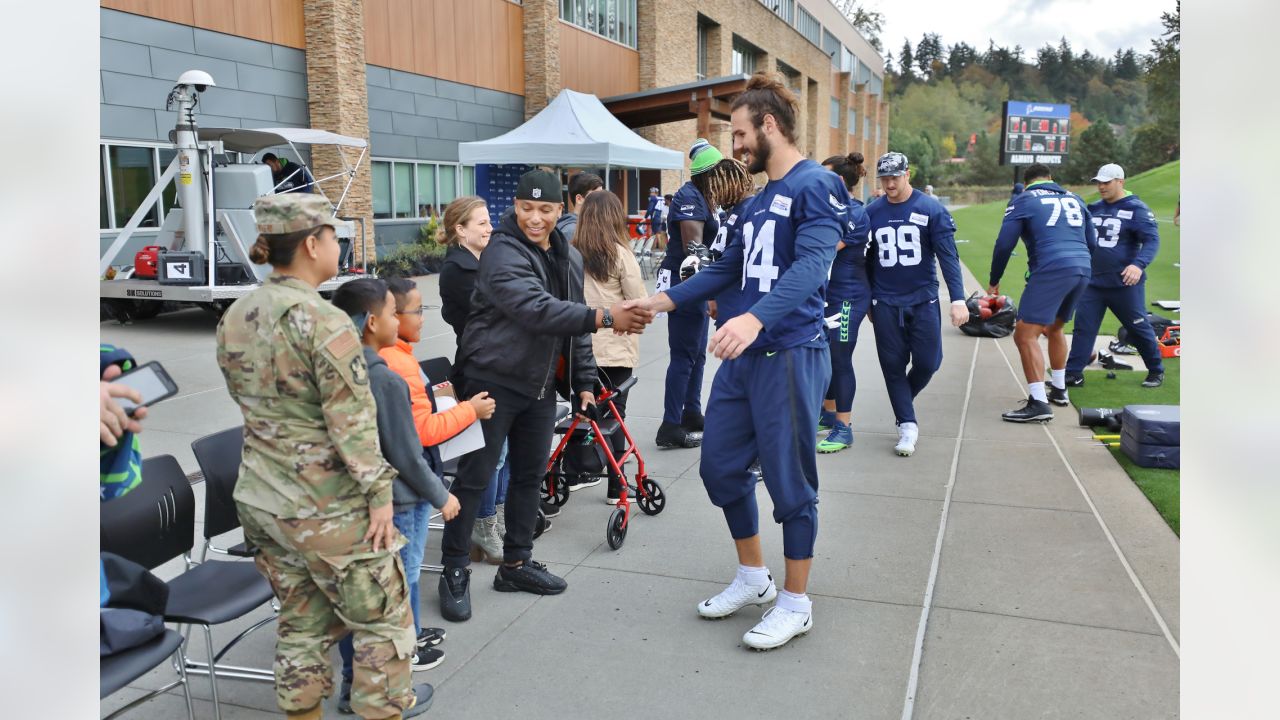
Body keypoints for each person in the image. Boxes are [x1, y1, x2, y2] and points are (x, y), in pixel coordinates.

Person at [629, 73, 845, 650]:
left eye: (743, 134)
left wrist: (755, 318)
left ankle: (795, 603)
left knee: (791, 483)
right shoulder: (755, 201)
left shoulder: (816, 185)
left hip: (790, 355)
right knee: (720, 469)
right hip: (743, 359)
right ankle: (754, 578)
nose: (737, 147)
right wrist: (661, 299)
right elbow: (729, 269)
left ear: (769, 126)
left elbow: (812, 266)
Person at [216, 194, 431, 719]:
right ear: (313, 244)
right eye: (334, 236)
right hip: (328, 508)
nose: (339, 245)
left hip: (265, 502)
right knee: (383, 626)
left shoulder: (237, 314)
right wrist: (381, 498)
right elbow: (352, 422)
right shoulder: (325, 321)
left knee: (301, 627)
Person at [438, 169, 653, 623]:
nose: (535, 218)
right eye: (526, 208)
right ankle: (454, 569)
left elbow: (570, 329)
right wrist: (607, 316)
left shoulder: (567, 257)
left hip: (536, 386)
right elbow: (534, 309)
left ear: (563, 209)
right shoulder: (501, 252)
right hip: (490, 381)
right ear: (515, 207)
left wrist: (585, 384)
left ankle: (516, 564)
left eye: (545, 209)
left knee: (529, 476)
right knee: (474, 479)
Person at [330, 279, 465, 712]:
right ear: (373, 323)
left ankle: (354, 688)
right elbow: (406, 453)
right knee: (395, 601)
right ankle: (390, 695)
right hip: (399, 503)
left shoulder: (333, 370)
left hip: (349, 505)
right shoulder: (384, 381)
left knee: (361, 603)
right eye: (393, 313)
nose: (399, 320)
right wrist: (440, 494)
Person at [865, 152, 969, 456]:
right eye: (884, 178)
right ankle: (907, 424)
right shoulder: (871, 212)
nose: (889, 183)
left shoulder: (931, 209)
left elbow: (949, 258)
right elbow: (866, 260)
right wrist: (868, 298)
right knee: (892, 366)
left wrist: (959, 299)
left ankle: (902, 402)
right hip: (885, 300)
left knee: (928, 361)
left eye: (895, 177)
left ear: (907, 174)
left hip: (923, 298)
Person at [988, 163, 1096, 422]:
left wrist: (994, 281)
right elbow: (1092, 241)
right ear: (1051, 179)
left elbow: (1004, 243)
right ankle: (1059, 388)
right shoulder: (1075, 198)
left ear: (1026, 183)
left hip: (1052, 267)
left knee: (1025, 334)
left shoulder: (1023, 199)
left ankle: (1038, 402)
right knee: (1055, 327)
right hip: (1082, 266)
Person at [653, 138, 742, 448]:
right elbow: (695, 250)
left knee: (697, 354)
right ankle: (670, 423)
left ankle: (691, 411)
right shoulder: (689, 196)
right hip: (685, 282)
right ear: (709, 174)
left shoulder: (706, 198)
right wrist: (711, 290)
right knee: (683, 355)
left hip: (699, 284)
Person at [573, 190, 648, 503]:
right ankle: (616, 486)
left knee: (582, 413)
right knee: (614, 417)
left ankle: (575, 470)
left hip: (577, 346)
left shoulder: (570, 252)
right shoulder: (620, 254)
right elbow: (639, 300)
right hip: (615, 349)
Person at [1065, 163, 1165, 388]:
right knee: (1083, 327)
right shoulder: (1094, 208)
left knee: (1138, 327)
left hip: (1124, 283)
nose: (1101, 186)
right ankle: (1073, 373)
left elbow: (1152, 240)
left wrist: (1138, 265)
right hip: (1093, 282)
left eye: (1106, 182)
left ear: (1120, 181)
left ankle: (1156, 370)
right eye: (1098, 182)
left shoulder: (1137, 208)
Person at [815, 153, 872, 453]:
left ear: (838, 181)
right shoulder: (829, 209)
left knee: (839, 359)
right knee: (826, 358)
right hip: (828, 296)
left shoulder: (854, 213)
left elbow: (821, 247)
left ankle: (844, 427)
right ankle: (827, 412)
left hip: (848, 297)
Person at [556, 172, 604, 244]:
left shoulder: (590, 226)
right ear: (579, 199)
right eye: (595, 195)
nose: (601, 199)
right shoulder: (571, 231)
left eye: (602, 195)